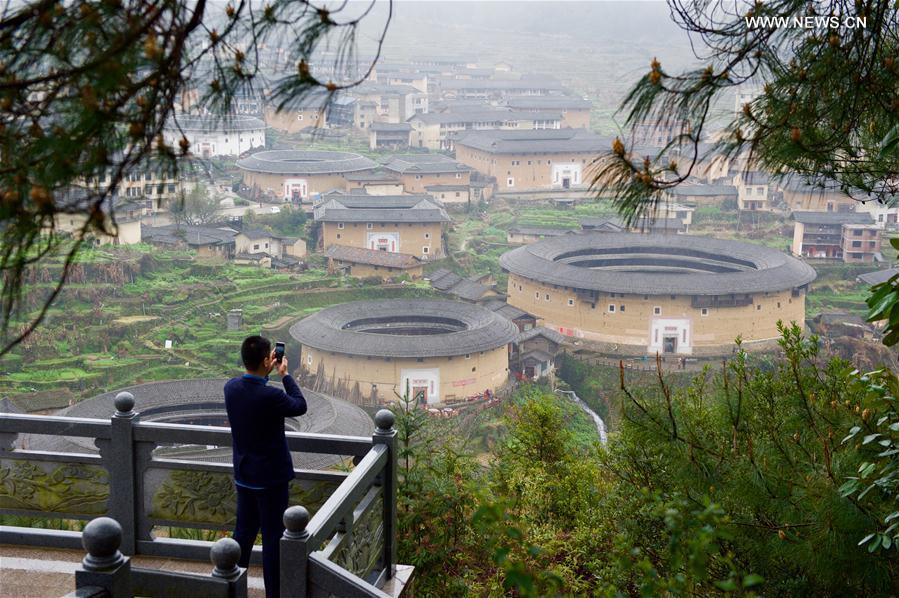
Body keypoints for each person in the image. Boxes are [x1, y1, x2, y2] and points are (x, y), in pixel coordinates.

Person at [224, 335, 307, 598]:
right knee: (273, 539)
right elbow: (299, 405)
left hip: (244, 474)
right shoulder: (271, 396)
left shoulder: (231, 388)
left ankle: (231, 587)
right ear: (266, 361)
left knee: (243, 534)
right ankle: (274, 594)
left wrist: (265, 373)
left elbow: (252, 390)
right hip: (271, 479)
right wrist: (284, 375)